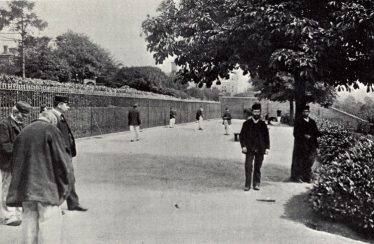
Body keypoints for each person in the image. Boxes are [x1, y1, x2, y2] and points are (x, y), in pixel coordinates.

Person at [7, 110, 72, 244]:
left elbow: (14, 163)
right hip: (47, 187)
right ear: (52, 121)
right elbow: (61, 162)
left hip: (26, 188)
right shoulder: (52, 131)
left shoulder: (23, 132)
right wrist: (65, 187)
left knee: (29, 222)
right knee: (49, 223)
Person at [52, 95, 87, 211]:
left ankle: (73, 203)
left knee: (70, 177)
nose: (68, 106)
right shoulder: (52, 117)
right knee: (59, 178)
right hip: (59, 153)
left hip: (66, 153)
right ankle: (55, 206)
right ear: (59, 105)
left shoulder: (60, 116)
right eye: (66, 104)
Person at [0, 101, 31, 226]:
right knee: (7, 189)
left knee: (18, 189)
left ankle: (17, 214)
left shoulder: (20, 124)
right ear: (15, 112)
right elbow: (4, 145)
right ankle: (7, 216)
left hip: (18, 163)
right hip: (8, 163)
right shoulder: (4, 125)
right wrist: (22, 149)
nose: (25, 118)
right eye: (23, 116)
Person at [240, 103, 270, 191]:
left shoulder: (263, 124)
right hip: (249, 148)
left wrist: (267, 148)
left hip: (260, 148)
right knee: (248, 166)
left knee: (258, 167)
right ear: (252, 112)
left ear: (260, 113)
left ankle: (256, 183)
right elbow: (242, 136)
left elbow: (266, 137)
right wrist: (243, 146)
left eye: (258, 112)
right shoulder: (246, 124)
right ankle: (247, 185)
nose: (256, 113)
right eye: (255, 112)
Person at [290, 105, 321, 183]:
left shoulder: (312, 122)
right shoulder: (298, 122)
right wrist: (304, 135)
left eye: (307, 111)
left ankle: (306, 176)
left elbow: (316, 132)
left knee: (310, 160)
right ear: (302, 112)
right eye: (304, 111)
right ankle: (299, 177)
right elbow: (295, 133)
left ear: (309, 112)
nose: (305, 113)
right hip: (301, 145)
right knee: (300, 161)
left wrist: (315, 135)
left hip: (311, 145)